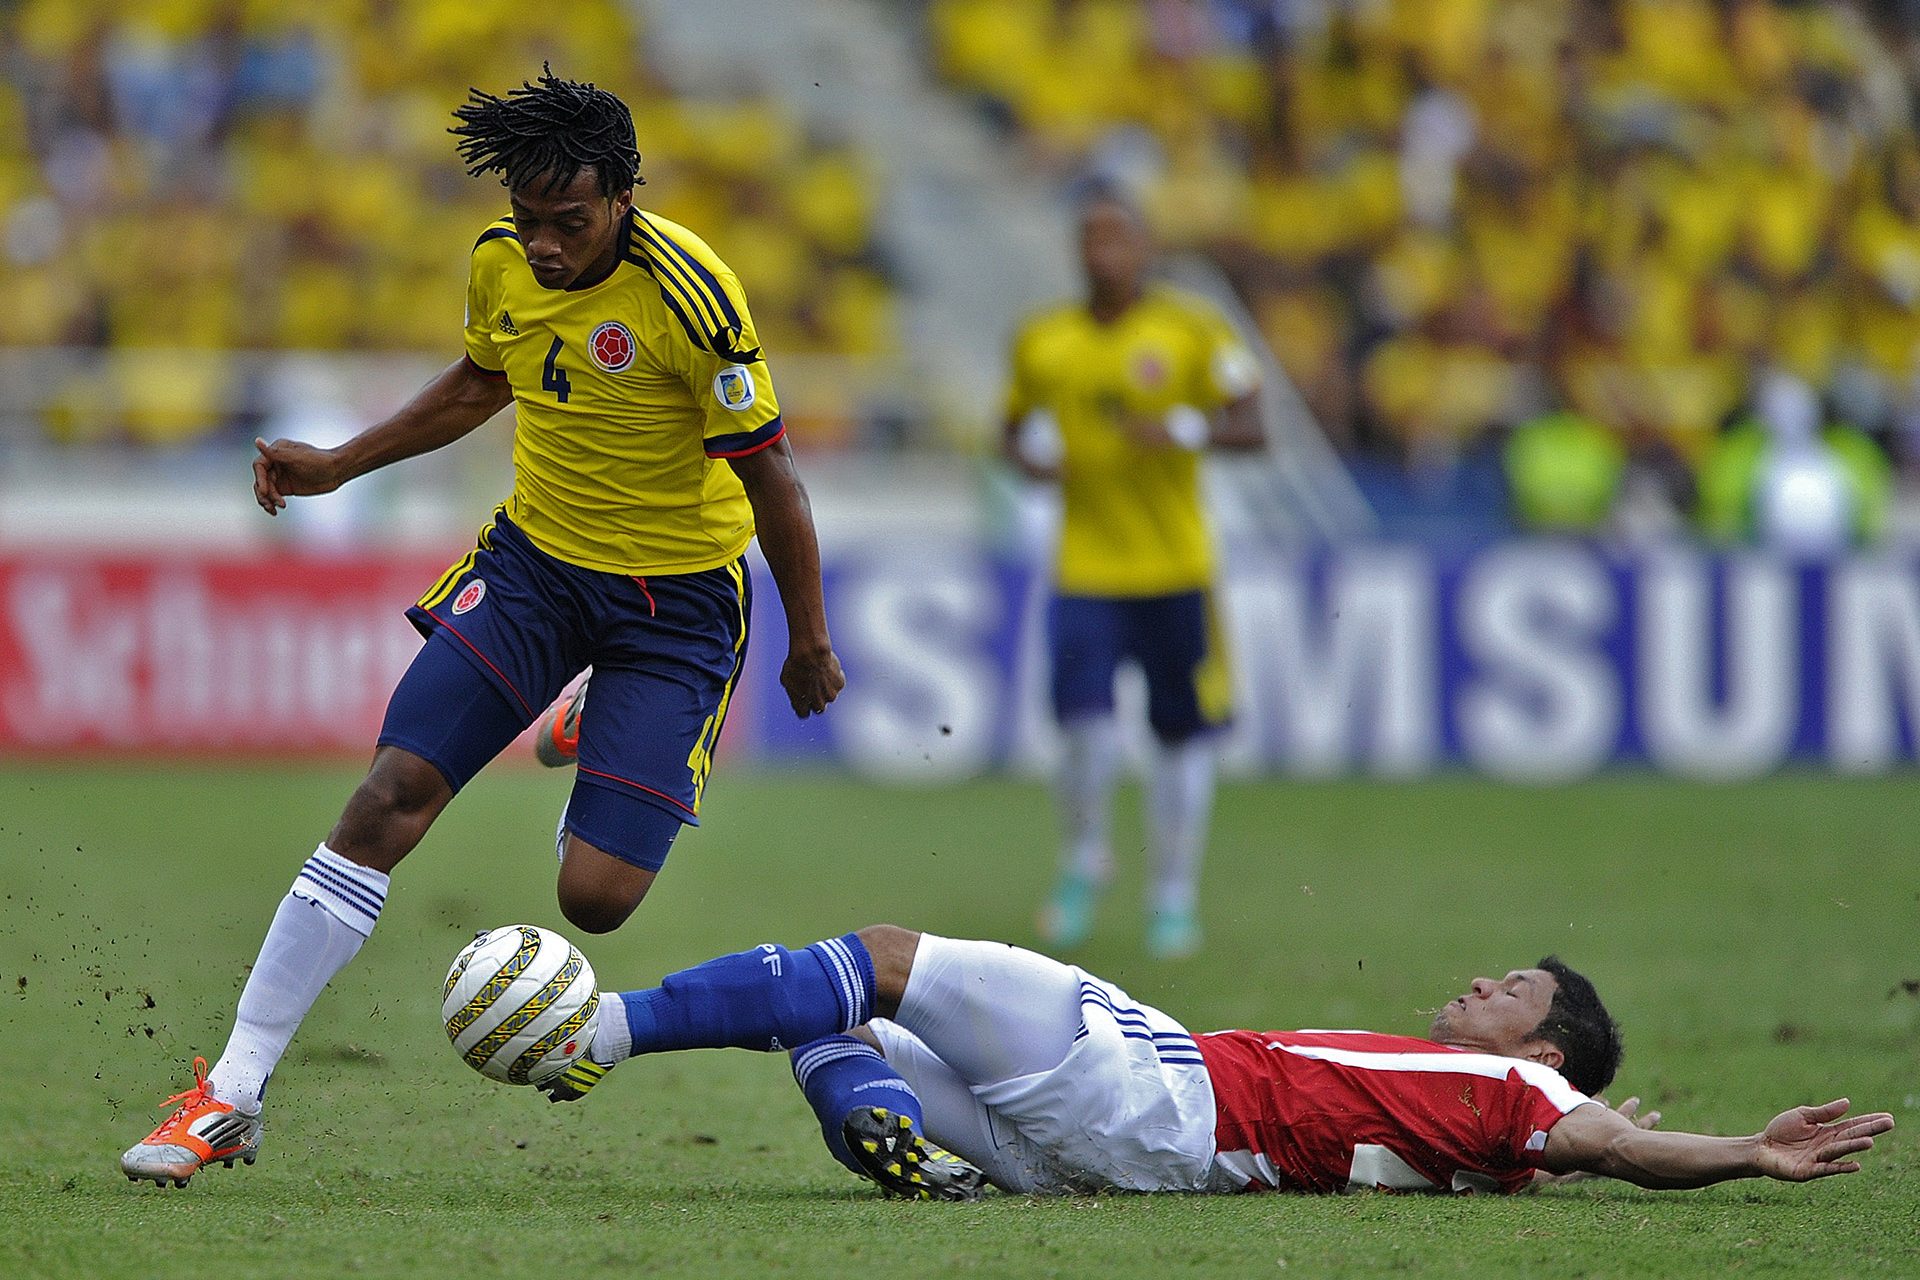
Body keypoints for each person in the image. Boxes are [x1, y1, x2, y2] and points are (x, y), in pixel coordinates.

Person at [121, 70, 845, 1187]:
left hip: (678, 600)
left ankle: (602, 705)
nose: (546, 247)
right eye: (530, 221)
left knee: (594, 902)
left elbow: (772, 474)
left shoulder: (694, 293)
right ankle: (231, 1090)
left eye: (571, 222)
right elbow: (479, 380)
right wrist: (339, 464)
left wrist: (808, 636)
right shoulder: (496, 260)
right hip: (537, 569)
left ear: (623, 198)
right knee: (387, 795)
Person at [544, 924, 1892, 1199]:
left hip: (1159, 1085)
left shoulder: (1520, 1095)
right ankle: (902, 1136)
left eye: (1511, 991)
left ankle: (598, 1032)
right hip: (1114, 1160)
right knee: (829, 1024)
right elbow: (1587, 1148)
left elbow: (1606, 1142)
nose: (1478, 982)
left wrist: (1741, 1152)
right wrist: (1608, 1139)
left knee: (874, 961)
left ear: (1540, 1047)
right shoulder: (1497, 1132)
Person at [1001, 186, 1267, 958]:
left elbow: (1253, 425)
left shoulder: (1191, 328)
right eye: (1090, 239)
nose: (1102, 253)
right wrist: (1032, 464)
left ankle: (1172, 895)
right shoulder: (1044, 339)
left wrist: (1181, 427)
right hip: (1086, 567)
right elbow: (1009, 431)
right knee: (1083, 729)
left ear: (1145, 248)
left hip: (1176, 566)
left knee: (1180, 735)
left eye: (1118, 239)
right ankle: (1084, 860)